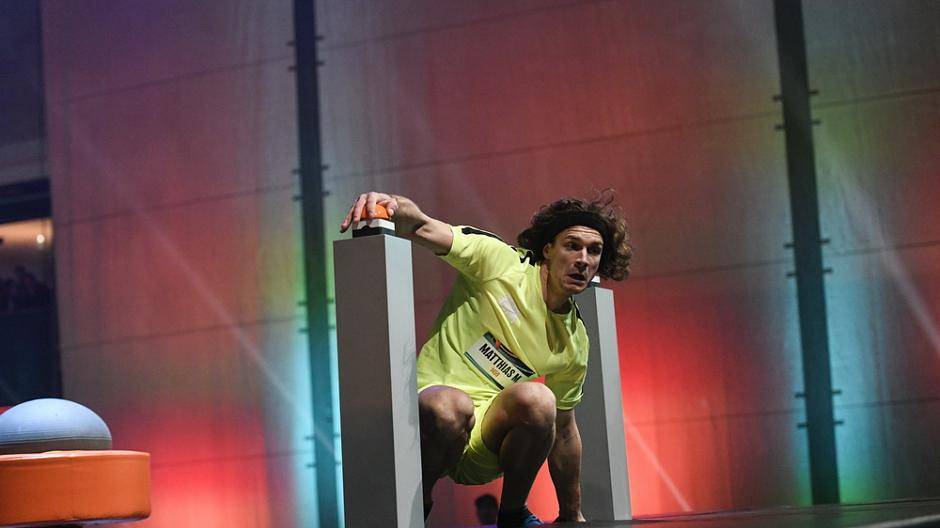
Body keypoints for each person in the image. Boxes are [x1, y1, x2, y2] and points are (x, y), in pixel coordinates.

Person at [340, 190, 632, 527]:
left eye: (593, 251)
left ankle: (512, 513)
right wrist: (390, 205)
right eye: (572, 246)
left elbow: (564, 432)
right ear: (548, 250)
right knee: (451, 407)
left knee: (540, 400)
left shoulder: (574, 340)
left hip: (486, 441)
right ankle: (418, 504)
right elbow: (421, 225)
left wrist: (572, 514)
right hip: (427, 422)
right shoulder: (500, 262)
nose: (583, 259)